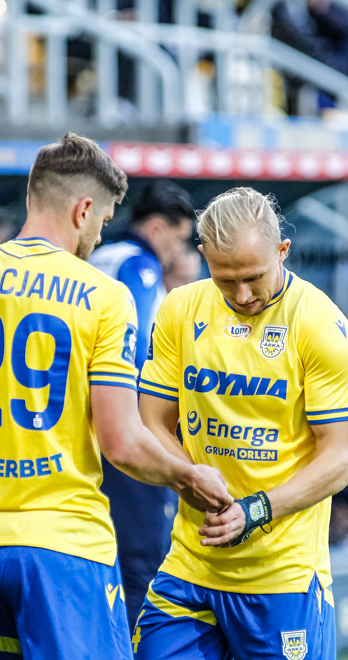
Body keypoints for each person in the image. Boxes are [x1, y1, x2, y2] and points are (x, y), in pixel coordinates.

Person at [0, 133, 231, 659]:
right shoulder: (104, 297)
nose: (101, 234)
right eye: (104, 219)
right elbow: (121, 442)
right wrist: (189, 477)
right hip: (63, 549)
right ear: (83, 209)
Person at [133, 187, 348, 660]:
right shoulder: (179, 309)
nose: (242, 295)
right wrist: (189, 474)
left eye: (254, 278)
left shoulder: (320, 324)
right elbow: (151, 421)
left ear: (283, 251)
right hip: (190, 567)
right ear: (203, 255)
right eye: (225, 279)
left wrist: (257, 510)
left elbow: (339, 459)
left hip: (281, 578)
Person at [89, 179, 196, 630]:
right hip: (121, 426)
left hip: (80, 427)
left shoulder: (97, 258)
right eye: (178, 239)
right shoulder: (140, 268)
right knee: (141, 558)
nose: (178, 252)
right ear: (156, 228)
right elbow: (131, 354)